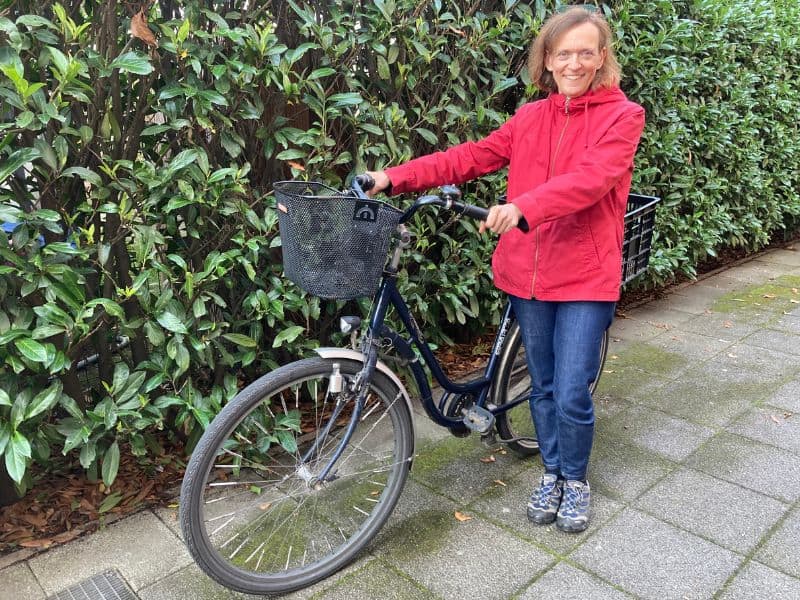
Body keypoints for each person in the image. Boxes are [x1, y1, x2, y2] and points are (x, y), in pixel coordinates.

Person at [365, 6, 645, 533]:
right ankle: (551, 471)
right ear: (548, 59)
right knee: (540, 384)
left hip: (585, 276)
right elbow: (468, 157)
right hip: (529, 274)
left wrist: (524, 206)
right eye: (564, 53)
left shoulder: (623, 116)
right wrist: (392, 176)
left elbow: (591, 179)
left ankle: (575, 480)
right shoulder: (530, 116)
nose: (574, 63)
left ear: (602, 57)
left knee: (569, 391)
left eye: (586, 52)